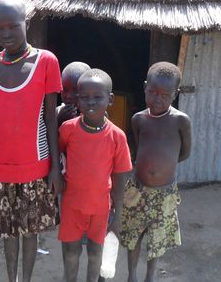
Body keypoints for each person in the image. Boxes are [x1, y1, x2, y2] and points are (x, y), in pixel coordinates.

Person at [0, 0, 63, 282]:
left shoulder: (46, 61)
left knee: (30, 231)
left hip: (35, 166)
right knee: (7, 232)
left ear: (25, 23)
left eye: (12, 26)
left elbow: (50, 118)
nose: (6, 34)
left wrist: (54, 166)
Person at [58, 68, 132, 282]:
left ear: (110, 99)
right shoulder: (67, 130)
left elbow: (120, 179)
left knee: (95, 254)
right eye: (85, 97)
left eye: (97, 97)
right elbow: (61, 156)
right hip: (72, 205)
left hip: (100, 208)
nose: (90, 102)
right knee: (71, 254)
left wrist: (117, 218)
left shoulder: (117, 137)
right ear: (77, 100)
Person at [120, 62, 191, 282]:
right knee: (134, 235)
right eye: (152, 92)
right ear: (144, 87)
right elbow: (140, 146)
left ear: (175, 94)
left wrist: (163, 171)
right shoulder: (138, 119)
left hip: (164, 193)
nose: (157, 99)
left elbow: (184, 153)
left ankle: (150, 276)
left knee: (156, 239)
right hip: (138, 189)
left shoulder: (180, 121)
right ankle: (132, 276)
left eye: (165, 95)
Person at [56, 62, 90, 127]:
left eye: (75, 91)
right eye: (65, 90)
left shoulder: (94, 114)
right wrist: (59, 120)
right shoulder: (57, 112)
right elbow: (49, 135)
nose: (69, 96)